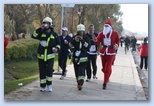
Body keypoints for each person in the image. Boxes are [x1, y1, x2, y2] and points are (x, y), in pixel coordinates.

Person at [31, 17, 60, 92]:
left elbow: (59, 44)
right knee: (42, 71)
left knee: (49, 70)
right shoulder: (41, 32)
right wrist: (39, 28)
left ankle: (49, 85)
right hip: (41, 55)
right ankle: (42, 86)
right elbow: (33, 36)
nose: (45, 25)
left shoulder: (54, 34)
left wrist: (56, 48)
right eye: (44, 23)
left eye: (47, 23)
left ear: (50, 24)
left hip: (50, 55)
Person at [95, 17, 120, 90]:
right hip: (103, 52)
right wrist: (93, 40)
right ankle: (107, 75)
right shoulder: (101, 33)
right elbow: (97, 41)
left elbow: (118, 41)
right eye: (105, 26)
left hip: (111, 52)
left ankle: (104, 83)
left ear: (110, 27)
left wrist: (116, 45)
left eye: (107, 26)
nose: (105, 27)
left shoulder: (115, 33)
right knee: (104, 68)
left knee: (108, 67)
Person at [69, 24, 91, 90]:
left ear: (84, 31)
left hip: (83, 58)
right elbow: (70, 45)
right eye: (79, 31)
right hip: (76, 58)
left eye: (82, 31)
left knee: (82, 71)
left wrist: (82, 40)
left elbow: (87, 46)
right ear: (77, 31)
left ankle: (81, 83)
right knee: (76, 71)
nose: (81, 33)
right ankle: (78, 83)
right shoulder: (74, 37)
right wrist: (74, 41)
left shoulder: (86, 38)